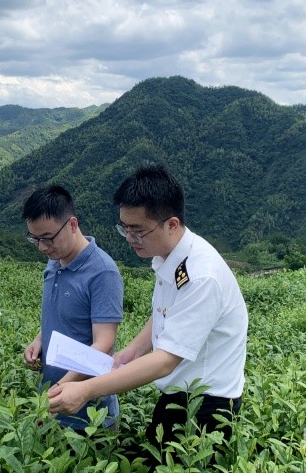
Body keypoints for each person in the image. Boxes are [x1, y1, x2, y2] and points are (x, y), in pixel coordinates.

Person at [47, 163, 248, 466]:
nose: (129, 237)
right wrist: (132, 351)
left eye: (138, 230)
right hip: (176, 398)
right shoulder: (168, 256)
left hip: (206, 409)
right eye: (125, 227)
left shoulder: (200, 276)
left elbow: (166, 361)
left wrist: (86, 390)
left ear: (171, 224)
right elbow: (164, 314)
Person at [22, 185, 124, 430]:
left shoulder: (103, 272)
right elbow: (60, 314)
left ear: (72, 224)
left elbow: (104, 344)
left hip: (90, 415)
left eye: (47, 238)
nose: (42, 247)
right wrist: (40, 339)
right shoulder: (54, 261)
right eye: (35, 239)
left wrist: (61, 389)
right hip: (52, 403)